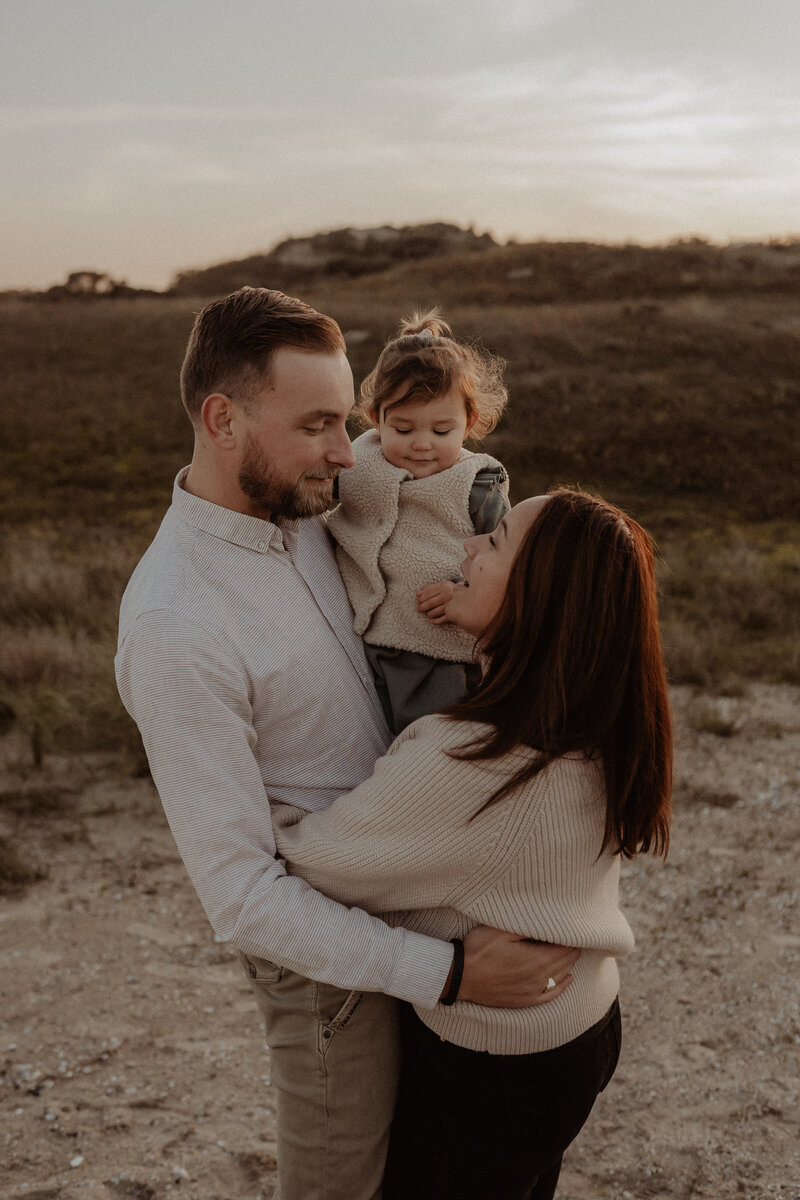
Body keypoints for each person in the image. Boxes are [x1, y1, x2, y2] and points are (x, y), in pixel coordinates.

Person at [114, 287, 578, 1200]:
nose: (348, 451)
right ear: (222, 419)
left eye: (350, 419)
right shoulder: (177, 623)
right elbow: (243, 900)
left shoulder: (314, 514)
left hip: (419, 906)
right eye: (321, 423)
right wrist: (446, 974)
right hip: (337, 975)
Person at [274, 488, 674, 1200]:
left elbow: (309, 865)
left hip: (493, 1071)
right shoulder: (594, 722)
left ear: (539, 597)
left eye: (494, 544)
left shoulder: (471, 765)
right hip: (579, 1028)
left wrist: (262, 790)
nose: (465, 548)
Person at [328, 310, 510, 733]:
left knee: (436, 748)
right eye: (404, 429)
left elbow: (511, 565)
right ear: (376, 418)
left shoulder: (477, 483)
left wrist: (462, 593)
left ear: (471, 423)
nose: (422, 445)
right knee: (368, 751)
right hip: (362, 652)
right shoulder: (354, 464)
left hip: (441, 653)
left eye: (442, 431)